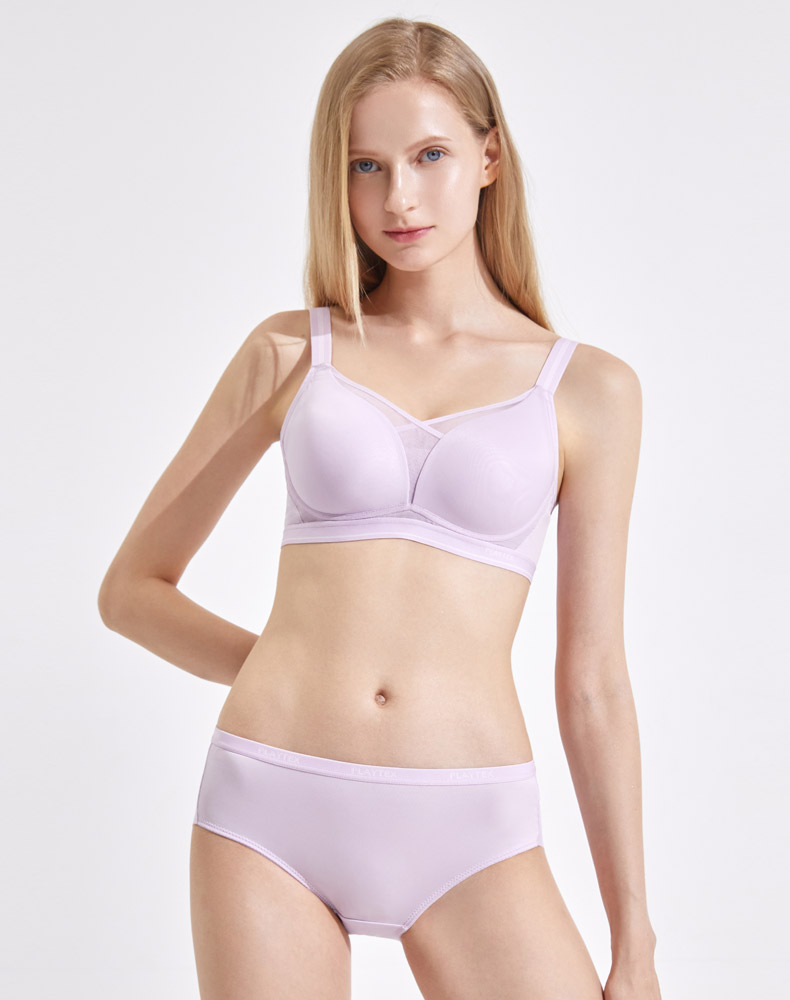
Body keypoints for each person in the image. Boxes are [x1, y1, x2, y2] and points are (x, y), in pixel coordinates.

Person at [98, 16, 660, 1000]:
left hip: (471, 823)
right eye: (365, 166)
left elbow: (594, 682)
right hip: (269, 803)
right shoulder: (289, 353)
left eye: (429, 155)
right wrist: (277, 666)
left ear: (489, 157)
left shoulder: (588, 392)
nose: (398, 197)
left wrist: (635, 942)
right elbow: (132, 590)